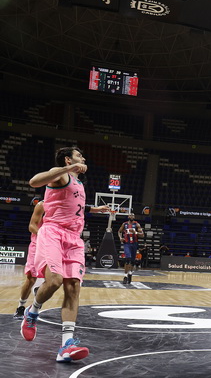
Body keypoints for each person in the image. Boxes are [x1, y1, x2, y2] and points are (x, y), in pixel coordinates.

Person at [22, 146, 110, 363]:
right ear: (69, 159)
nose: (84, 157)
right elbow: (34, 181)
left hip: (74, 238)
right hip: (53, 233)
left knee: (73, 287)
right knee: (54, 281)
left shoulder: (79, 183)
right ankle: (32, 313)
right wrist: (65, 168)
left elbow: (73, 206)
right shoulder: (60, 175)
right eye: (79, 155)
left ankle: (66, 346)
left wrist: (95, 210)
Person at [13, 200, 44, 319]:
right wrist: (43, 235)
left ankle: (38, 293)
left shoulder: (62, 206)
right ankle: (21, 306)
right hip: (37, 245)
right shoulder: (42, 205)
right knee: (31, 278)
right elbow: (32, 226)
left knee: (54, 279)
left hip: (53, 246)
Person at [118, 213, 144, 284]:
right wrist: (120, 238)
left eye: (133, 215)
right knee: (127, 259)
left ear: (134, 217)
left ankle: (130, 273)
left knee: (132, 261)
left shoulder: (137, 224)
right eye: (130, 215)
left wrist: (135, 232)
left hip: (134, 244)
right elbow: (119, 231)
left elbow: (142, 234)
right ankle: (125, 276)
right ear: (128, 216)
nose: (131, 216)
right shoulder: (124, 224)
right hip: (127, 243)